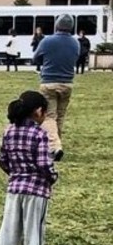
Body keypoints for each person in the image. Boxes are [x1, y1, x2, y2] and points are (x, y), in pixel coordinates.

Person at [0, 90, 57, 245]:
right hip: (36, 190)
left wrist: (15, 174)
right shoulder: (39, 134)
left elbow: (2, 160)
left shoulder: (9, 131)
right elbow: (44, 164)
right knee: (35, 229)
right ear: (38, 112)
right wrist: (52, 177)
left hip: (15, 188)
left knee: (9, 227)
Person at [33, 14, 80, 161]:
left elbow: (35, 57)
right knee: (60, 116)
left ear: (57, 25)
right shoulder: (75, 43)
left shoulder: (47, 41)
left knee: (49, 116)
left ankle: (54, 147)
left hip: (49, 82)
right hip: (67, 83)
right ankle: (56, 145)